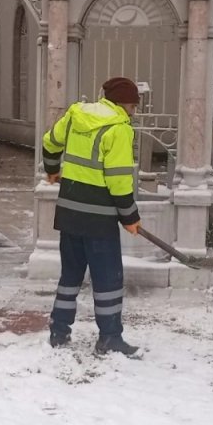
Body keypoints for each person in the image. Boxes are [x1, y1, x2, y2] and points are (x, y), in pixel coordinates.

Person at [41, 76, 142, 356]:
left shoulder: (76, 115)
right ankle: (110, 337)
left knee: (70, 275)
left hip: (70, 213)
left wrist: (52, 169)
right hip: (99, 219)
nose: (134, 111)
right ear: (123, 104)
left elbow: (50, 142)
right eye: (133, 105)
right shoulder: (119, 128)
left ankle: (59, 331)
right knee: (108, 280)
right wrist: (130, 217)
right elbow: (119, 180)